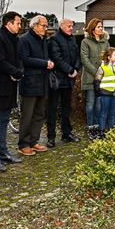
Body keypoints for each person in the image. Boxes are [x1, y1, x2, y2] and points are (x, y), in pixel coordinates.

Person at [0, 11, 24, 171]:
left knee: (4, 121)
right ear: (9, 23)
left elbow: (19, 58)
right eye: (18, 23)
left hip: (10, 86)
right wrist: (15, 72)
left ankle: (2, 152)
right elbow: (0, 61)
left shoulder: (14, 39)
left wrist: (19, 71)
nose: (20, 26)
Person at [18, 15, 54, 155]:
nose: (46, 28)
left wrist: (48, 61)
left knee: (39, 114)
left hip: (42, 82)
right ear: (35, 26)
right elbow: (25, 59)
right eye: (43, 25)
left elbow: (44, 57)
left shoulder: (43, 40)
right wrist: (44, 63)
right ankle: (23, 144)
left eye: (46, 26)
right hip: (29, 83)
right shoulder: (24, 40)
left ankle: (34, 141)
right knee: (27, 115)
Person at [46, 18, 81, 148]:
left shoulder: (72, 38)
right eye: (69, 26)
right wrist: (69, 70)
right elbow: (56, 58)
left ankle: (67, 133)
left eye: (72, 26)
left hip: (69, 80)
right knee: (53, 108)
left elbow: (77, 55)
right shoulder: (54, 39)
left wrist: (76, 69)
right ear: (61, 26)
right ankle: (51, 137)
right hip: (57, 79)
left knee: (67, 107)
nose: (71, 28)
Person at [80, 18, 109, 139]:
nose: (101, 29)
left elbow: (108, 57)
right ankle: (90, 128)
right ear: (92, 29)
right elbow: (84, 59)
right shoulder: (85, 42)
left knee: (99, 105)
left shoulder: (105, 42)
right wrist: (96, 72)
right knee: (90, 104)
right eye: (98, 27)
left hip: (102, 79)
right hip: (90, 78)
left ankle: (97, 127)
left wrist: (104, 71)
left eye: (101, 27)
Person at [94, 47, 115, 138]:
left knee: (112, 113)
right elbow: (97, 80)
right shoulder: (102, 68)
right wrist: (98, 92)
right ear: (109, 57)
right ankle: (101, 131)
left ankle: (111, 130)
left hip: (113, 93)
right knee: (104, 112)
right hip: (105, 94)